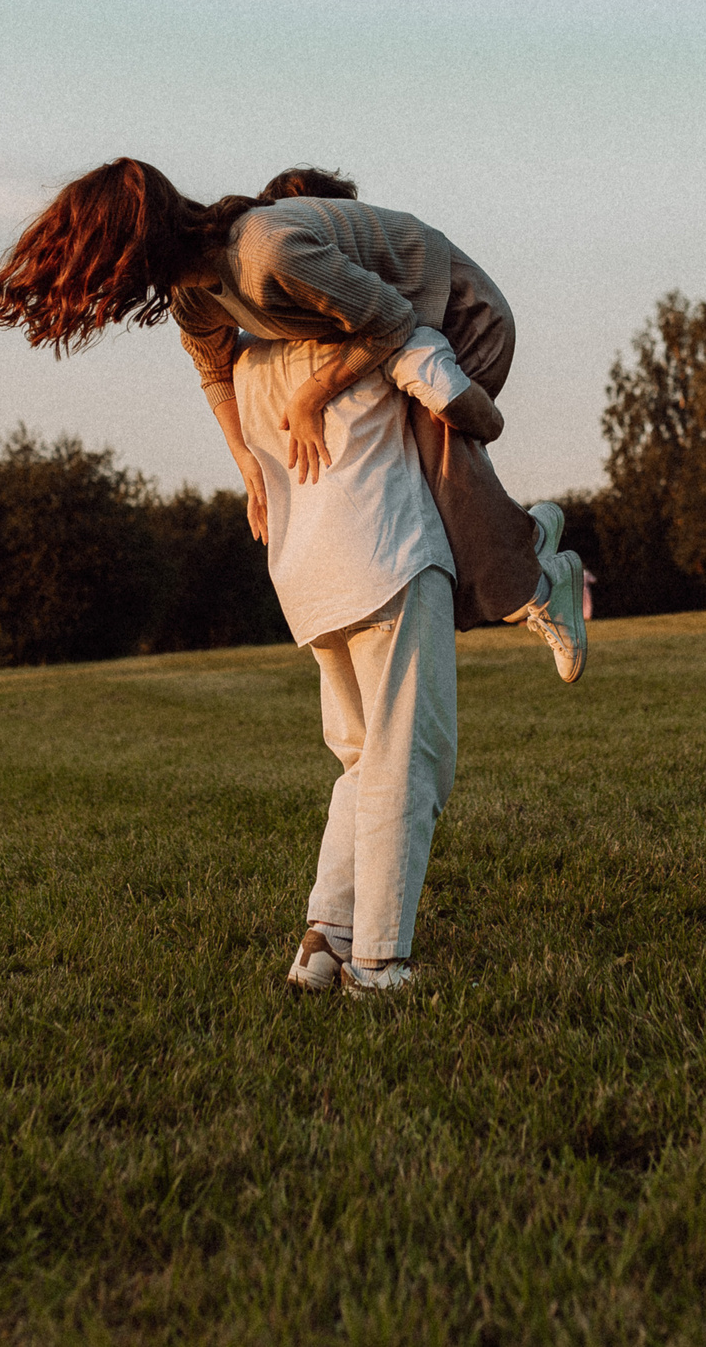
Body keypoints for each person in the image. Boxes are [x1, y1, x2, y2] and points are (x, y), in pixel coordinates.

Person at [0, 157, 589, 679]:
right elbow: (213, 370)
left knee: (437, 468)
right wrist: (247, 464)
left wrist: (311, 395)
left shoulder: (264, 255)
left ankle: (537, 581)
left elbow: (393, 317)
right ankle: (528, 544)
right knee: (427, 505)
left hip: (455, 311)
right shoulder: (195, 293)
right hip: (401, 329)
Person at [230, 326, 472, 994]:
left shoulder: (246, 359)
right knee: (409, 761)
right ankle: (378, 962)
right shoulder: (376, 329)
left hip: (310, 575)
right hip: (389, 552)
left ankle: (325, 938)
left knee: (363, 759)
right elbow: (455, 396)